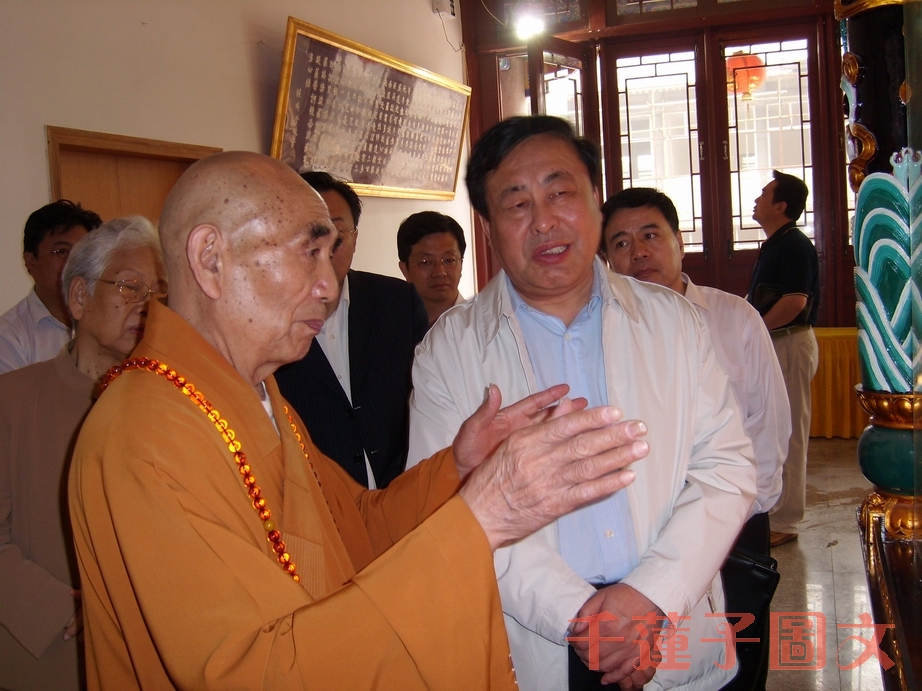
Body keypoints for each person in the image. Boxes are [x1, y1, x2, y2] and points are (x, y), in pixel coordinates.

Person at [67, 150, 651, 690]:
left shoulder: (254, 397)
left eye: (332, 255)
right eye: (310, 252)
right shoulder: (147, 434)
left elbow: (357, 530)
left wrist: (461, 467)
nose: (329, 285)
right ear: (210, 259)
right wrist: (481, 519)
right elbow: (255, 671)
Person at [407, 115, 757, 691]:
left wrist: (650, 596)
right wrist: (579, 617)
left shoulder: (675, 322)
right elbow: (449, 506)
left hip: (670, 619)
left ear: (595, 198)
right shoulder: (447, 351)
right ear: (488, 227)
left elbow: (726, 467)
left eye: (560, 192)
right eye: (516, 204)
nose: (543, 221)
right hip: (535, 638)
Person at [602, 187, 791, 690]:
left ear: (679, 242)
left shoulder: (735, 318)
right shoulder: (602, 332)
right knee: (661, 657)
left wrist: (739, 514)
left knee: (739, 655)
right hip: (650, 531)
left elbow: (768, 424)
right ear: (607, 260)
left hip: (736, 520)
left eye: (650, 235)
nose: (638, 252)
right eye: (620, 243)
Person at [0, 216, 165, 691]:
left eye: (159, 294)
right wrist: (56, 605)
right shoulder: (12, 400)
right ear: (78, 297)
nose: (147, 306)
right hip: (48, 651)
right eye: (130, 287)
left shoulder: (174, 406)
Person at [275, 172, 427, 488]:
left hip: (404, 492)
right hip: (316, 501)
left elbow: (426, 399)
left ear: (355, 237)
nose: (325, 248)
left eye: (336, 233)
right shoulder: (268, 322)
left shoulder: (397, 302)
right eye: (310, 234)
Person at [747, 170, 819, 548]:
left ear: (781, 206)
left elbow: (794, 302)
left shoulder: (794, 245)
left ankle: (786, 520)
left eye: (764, 194)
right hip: (775, 342)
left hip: (788, 343)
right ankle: (770, 511)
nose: (756, 199)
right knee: (770, 430)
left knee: (789, 434)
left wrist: (753, 330)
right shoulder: (777, 243)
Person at [0, 200, 102, 374]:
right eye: (62, 251)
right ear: (31, 261)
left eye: (81, 253)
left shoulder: (108, 322)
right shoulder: (8, 337)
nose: (73, 263)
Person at [397, 210, 467, 326]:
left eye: (449, 260)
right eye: (426, 262)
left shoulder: (485, 326)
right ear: (405, 270)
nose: (440, 272)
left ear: (461, 264)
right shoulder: (392, 327)